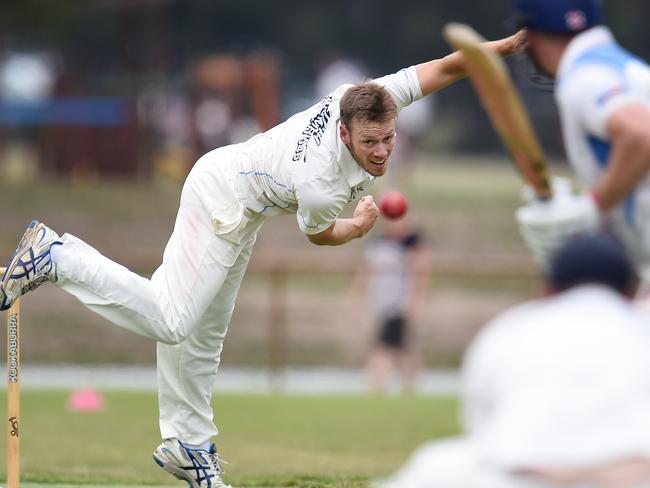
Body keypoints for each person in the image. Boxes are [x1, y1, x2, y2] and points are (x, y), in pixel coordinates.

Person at [0, 31, 525, 488]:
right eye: (370, 143)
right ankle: (57, 255)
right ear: (344, 133)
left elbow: (446, 66)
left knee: (204, 336)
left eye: (388, 139)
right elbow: (321, 236)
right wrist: (361, 227)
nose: (382, 151)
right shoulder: (320, 184)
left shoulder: (368, 96)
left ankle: (190, 448)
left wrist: (496, 50)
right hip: (223, 197)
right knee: (173, 319)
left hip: (240, 200)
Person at [377, 233, 650, 488]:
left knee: (437, 462)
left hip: (520, 477)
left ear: (548, 290)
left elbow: (481, 422)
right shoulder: (640, 327)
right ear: (629, 293)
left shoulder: (513, 326)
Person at [512, 0, 650, 292]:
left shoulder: (583, 76)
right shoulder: (622, 66)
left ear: (532, 36)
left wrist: (592, 206)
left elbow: (641, 134)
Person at [349, 217, 431, 394]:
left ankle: (377, 387)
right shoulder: (377, 242)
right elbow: (365, 271)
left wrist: (415, 302)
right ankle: (410, 388)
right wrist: (357, 296)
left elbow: (421, 272)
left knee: (383, 348)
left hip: (399, 305)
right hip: (382, 304)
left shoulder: (412, 243)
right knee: (402, 350)